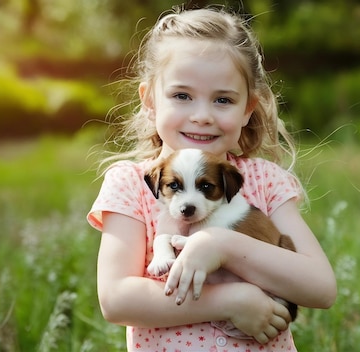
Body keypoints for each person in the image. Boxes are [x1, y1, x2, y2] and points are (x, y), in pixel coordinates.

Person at [86, 5, 336, 352]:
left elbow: (321, 288)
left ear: (248, 108)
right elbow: (117, 299)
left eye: (222, 99)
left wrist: (223, 245)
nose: (202, 116)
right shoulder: (131, 183)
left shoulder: (264, 181)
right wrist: (230, 300)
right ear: (150, 101)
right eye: (182, 96)